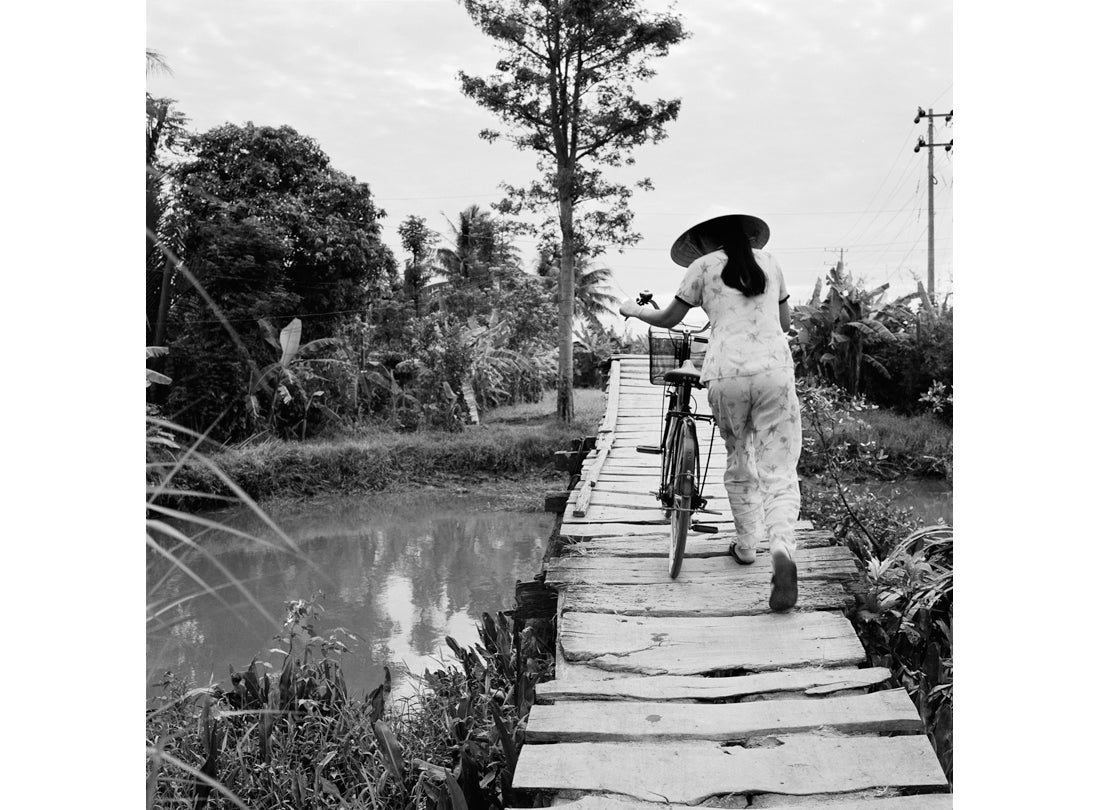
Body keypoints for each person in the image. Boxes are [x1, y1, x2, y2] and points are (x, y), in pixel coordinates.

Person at [618, 213, 802, 612]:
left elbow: (668, 318)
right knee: (779, 470)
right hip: (774, 372)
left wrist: (634, 310)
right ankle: (783, 548)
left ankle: (747, 546)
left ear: (705, 241)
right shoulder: (770, 263)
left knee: (740, 457)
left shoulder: (701, 267)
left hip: (726, 373)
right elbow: (784, 321)